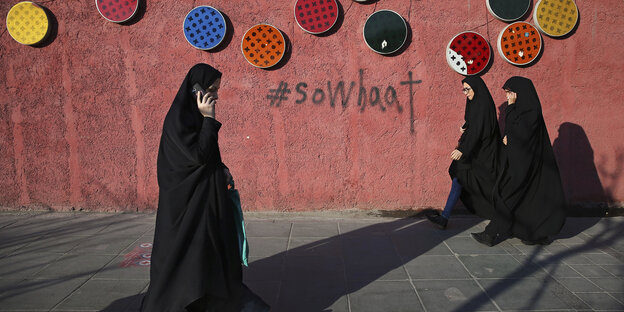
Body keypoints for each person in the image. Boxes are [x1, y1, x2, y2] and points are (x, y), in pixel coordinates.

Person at [141, 64, 269, 312]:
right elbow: (198, 156)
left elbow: (207, 156)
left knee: (210, 254)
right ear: (195, 91)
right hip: (186, 207)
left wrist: (221, 169)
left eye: (217, 89)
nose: (216, 96)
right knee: (185, 256)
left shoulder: (194, 118)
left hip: (205, 201)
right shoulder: (178, 122)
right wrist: (209, 118)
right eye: (211, 89)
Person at [471, 76, 566, 246]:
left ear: (520, 92)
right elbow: (512, 132)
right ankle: (535, 234)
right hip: (520, 163)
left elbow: (519, 134)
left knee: (508, 196)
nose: (508, 97)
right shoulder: (523, 110)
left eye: (510, 93)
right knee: (528, 199)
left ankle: (490, 234)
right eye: (507, 93)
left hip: (523, 166)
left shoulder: (530, 110)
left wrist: (512, 110)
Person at [427, 76, 502, 229]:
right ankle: (444, 217)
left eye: (468, 89)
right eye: (464, 89)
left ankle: (505, 216)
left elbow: (479, 131)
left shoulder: (483, 105)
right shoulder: (475, 103)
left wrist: (462, 149)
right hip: (473, 151)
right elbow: (473, 123)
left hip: (483, 154)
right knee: (459, 177)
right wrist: (466, 126)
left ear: (476, 88)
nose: (465, 93)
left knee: (486, 185)